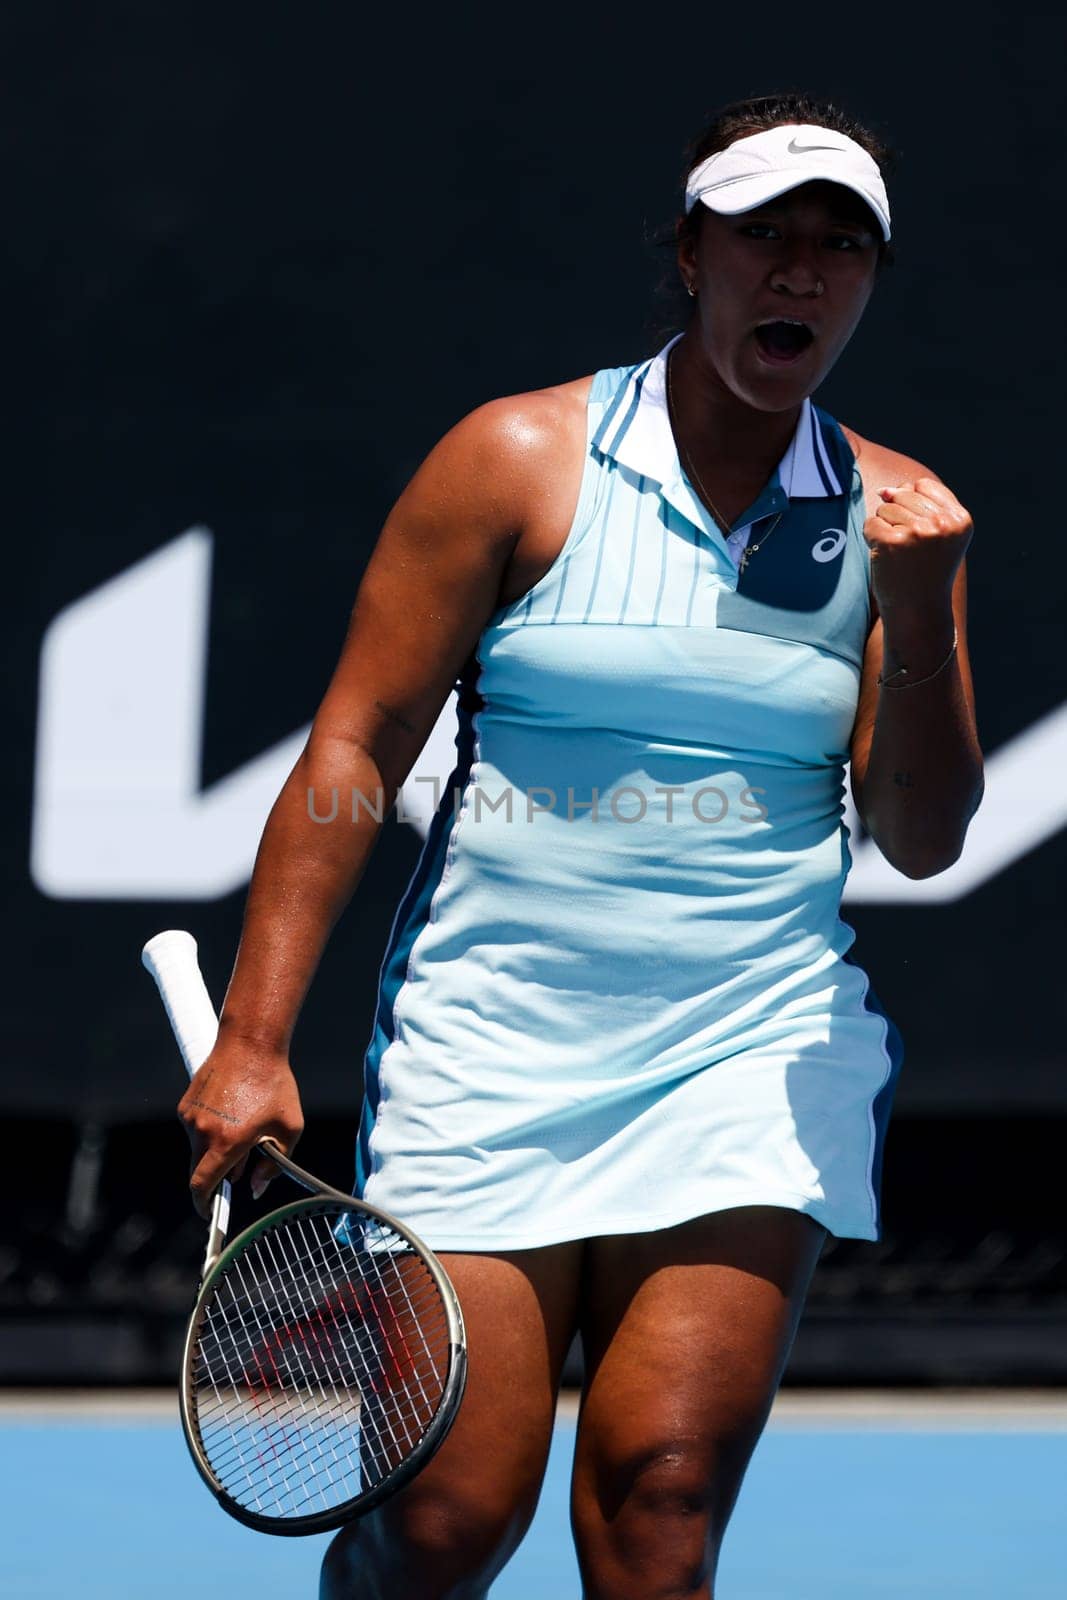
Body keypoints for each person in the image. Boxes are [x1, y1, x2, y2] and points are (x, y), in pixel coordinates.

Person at [178, 90, 983, 1599]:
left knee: (660, 1508)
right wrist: (255, 1034)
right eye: (764, 236)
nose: (800, 272)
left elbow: (924, 839)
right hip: (493, 1046)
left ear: (871, 281)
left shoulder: (892, 519)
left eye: (839, 247)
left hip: (752, 1053)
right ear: (690, 253)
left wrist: (925, 615)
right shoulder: (516, 460)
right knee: (441, 1525)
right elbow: (354, 750)